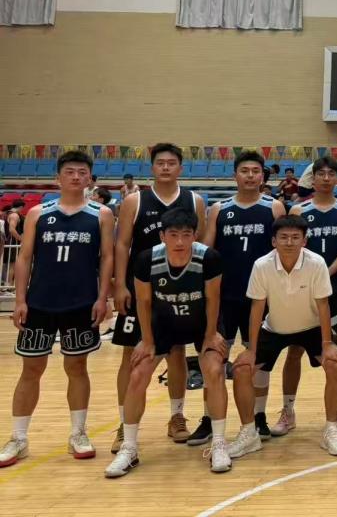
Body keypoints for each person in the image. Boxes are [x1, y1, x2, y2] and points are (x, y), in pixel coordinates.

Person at [1, 151, 114, 468]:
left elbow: (107, 257)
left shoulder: (102, 214)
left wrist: (103, 298)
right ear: (58, 178)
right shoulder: (38, 213)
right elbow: (24, 258)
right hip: (40, 302)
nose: (76, 176)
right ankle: (18, 438)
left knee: (77, 367)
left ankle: (78, 433)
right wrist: (20, 300)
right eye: (69, 171)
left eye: (82, 172)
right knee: (30, 369)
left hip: (81, 303)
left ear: (90, 178)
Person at [104, 209, 230, 477]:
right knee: (137, 374)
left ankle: (219, 443)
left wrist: (211, 335)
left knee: (215, 370)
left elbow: (213, 299)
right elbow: (144, 302)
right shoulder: (146, 259)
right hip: (162, 323)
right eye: (173, 235)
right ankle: (129, 447)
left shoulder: (209, 258)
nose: (180, 241)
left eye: (186, 235)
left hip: (201, 322)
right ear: (162, 236)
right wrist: (147, 341)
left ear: (195, 235)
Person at [227, 215, 337, 459]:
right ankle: (249, 433)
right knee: (241, 369)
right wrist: (251, 350)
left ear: (304, 240)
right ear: (274, 241)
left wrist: (327, 344)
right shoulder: (262, 265)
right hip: (275, 329)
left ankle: (331, 429)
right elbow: (257, 308)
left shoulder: (316, 263)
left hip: (312, 327)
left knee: (334, 364)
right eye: (283, 237)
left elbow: (323, 305)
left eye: (295, 237)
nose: (289, 242)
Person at [111, 143, 206, 452]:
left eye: (171, 163)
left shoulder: (194, 200)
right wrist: (119, 284)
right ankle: (125, 423)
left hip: (178, 290)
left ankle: (177, 416)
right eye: (160, 163)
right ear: (152, 167)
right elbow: (122, 244)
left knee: (176, 352)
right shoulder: (134, 201)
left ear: (180, 168)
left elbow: (202, 244)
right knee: (131, 355)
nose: (166, 167)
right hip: (139, 287)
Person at [200, 151, 285, 444]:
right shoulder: (219, 209)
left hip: (260, 298)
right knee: (212, 357)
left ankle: (259, 416)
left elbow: (282, 250)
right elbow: (206, 251)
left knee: (257, 359)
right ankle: (209, 418)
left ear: (263, 176)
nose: (250, 176)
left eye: (255, 171)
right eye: (244, 170)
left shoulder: (274, 207)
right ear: (235, 175)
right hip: (223, 297)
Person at [274, 156, 337, 437]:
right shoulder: (299, 209)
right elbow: (291, 246)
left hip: (334, 290)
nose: (326, 178)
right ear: (313, 178)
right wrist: (311, 278)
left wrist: (323, 275)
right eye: (321, 174)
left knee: (333, 354)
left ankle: (335, 412)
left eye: (331, 174)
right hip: (301, 291)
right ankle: (288, 411)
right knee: (294, 351)